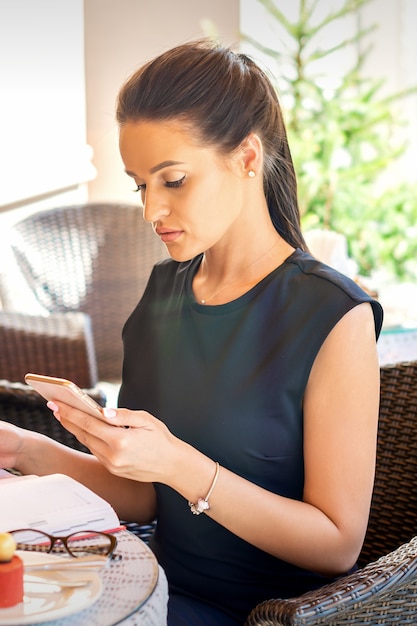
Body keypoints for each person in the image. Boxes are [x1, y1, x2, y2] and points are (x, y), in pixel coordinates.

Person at [0, 39, 383, 625]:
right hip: (149, 589)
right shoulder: (163, 293)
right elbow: (145, 493)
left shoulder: (332, 314)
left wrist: (181, 463)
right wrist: (23, 448)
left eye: (173, 179)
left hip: (268, 613)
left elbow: (336, 544)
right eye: (139, 185)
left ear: (248, 158)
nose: (152, 210)